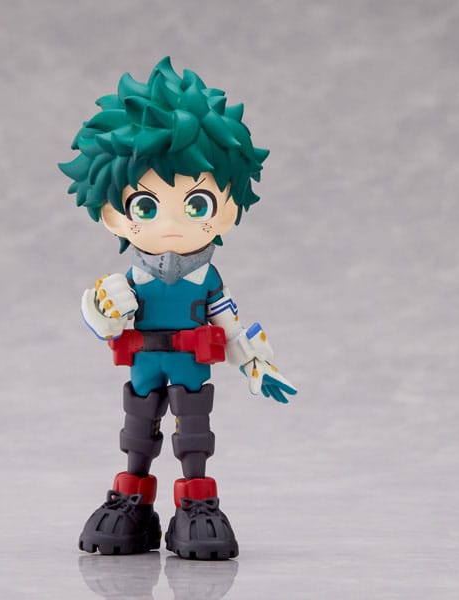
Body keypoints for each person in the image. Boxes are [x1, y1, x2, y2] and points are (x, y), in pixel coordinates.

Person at [59, 57, 296, 560]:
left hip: (191, 365)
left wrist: (255, 364)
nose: (170, 224)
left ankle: (197, 504)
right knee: (138, 431)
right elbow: (101, 320)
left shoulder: (206, 279)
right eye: (145, 206)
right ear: (112, 214)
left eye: (197, 205)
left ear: (228, 209)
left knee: (194, 433)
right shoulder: (128, 281)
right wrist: (102, 309)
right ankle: (131, 499)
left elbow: (228, 323)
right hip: (145, 362)